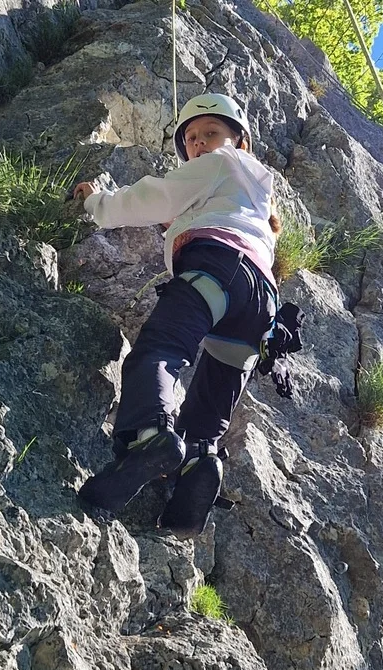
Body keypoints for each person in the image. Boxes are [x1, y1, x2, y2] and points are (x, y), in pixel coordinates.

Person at [71, 93, 280, 538]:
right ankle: (198, 466)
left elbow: (156, 196)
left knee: (160, 352)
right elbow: (196, 209)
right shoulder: (257, 195)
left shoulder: (219, 164)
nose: (200, 143)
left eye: (211, 133)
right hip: (261, 304)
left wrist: (97, 203)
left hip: (218, 268)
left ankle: (149, 435)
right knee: (209, 404)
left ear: (237, 141)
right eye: (191, 138)